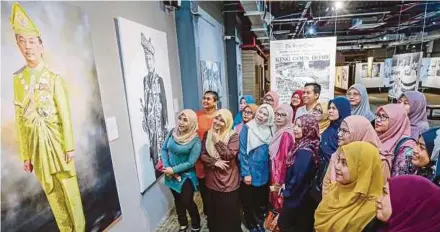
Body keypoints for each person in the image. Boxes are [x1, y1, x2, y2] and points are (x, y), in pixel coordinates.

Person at [10, 3, 85, 231]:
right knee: (53, 194)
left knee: (70, 192)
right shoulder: (18, 79)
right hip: (37, 149)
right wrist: (26, 155)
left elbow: (65, 114)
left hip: (58, 145)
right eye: (22, 41)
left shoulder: (53, 78)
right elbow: (21, 119)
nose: (27, 47)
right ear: (17, 45)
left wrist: (69, 147)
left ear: (41, 46)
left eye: (32, 41)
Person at [314, 142, 384, 232]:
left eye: (344, 163)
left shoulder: (373, 212)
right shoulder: (335, 190)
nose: (337, 166)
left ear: (362, 169)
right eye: (338, 160)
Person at [322, 115, 386, 196]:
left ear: (358, 133)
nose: (339, 134)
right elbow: (326, 185)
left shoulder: (378, 161)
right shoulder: (338, 154)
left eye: (344, 131)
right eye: (340, 129)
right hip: (333, 203)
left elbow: (379, 193)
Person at [200, 109, 241, 232]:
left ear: (227, 122)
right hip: (212, 179)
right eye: (217, 118)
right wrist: (214, 162)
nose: (217, 122)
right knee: (214, 211)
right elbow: (202, 154)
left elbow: (229, 155)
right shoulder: (208, 133)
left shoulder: (233, 135)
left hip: (228, 181)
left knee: (228, 211)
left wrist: (217, 141)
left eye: (222, 120)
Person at [278, 115, 320, 232]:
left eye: (300, 126)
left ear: (309, 129)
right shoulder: (304, 144)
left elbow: (298, 178)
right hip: (302, 197)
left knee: (285, 224)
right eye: (295, 125)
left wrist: (286, 192)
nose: (295, 128)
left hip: (298, 198)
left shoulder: (304, 151)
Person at [162, 110, 201, 232]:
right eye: (180, 118)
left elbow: (191, 162)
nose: (182, 122)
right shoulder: (172, 132)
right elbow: (164, 149)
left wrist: (173, 169)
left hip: (186, 176)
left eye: (186, 120)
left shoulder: (195, 140)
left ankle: (196, 225)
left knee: (187, 201)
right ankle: (183, 224)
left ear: (192, 122)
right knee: (177, 200)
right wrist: (168, 168)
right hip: (171, 175)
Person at [239, 104, 275, 232]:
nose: (261, 116)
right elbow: (242, 152)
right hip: (250, 170)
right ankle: (251, 225)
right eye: (260, 112)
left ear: (269, 117)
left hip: (264, 171)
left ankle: (259, 223)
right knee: (249, 201)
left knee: (261, 199)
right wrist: (246, 173)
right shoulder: (247, 128)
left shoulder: (271, 129)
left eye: (266, 114)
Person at [140, 32, 169, 179]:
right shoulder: (145, 80)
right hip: (151, 121)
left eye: (150, 59)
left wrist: (165, 122)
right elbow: (145, 100)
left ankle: (161, 168)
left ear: (154, 60)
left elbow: (163, 102)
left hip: (159, 121)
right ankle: (155, 168)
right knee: (152, 144)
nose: (148, 62)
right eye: (146, 59)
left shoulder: (159, 80)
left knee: (160, 145)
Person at [375, 104, 416, 177]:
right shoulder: (378, 137)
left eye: (384, 117)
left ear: (397, 121)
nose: (377, 120)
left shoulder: (406, 149)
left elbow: (400, 181)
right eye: (378, 115)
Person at [196, 90, 219, 215]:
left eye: (209, 99)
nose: (205, 101)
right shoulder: (197, 116)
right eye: (204, 98)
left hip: (215, 157)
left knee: (214, 185)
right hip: (200, 158)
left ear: (215, 102)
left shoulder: (220, 116)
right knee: (203, 186)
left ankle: (216, 210)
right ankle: (207, 211)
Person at [269, 104, 295, 211]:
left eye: (283, 115)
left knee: (278, 196)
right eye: (277, 114)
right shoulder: (278, 130)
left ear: (289, 117)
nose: (278, 117)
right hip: (275, 169)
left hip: (279, 173)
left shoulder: (286, 134)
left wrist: (280, 180)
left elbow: (284, 159)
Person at [319, 97, 351, 165]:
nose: (330, 111)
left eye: (334, 108)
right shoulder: (331, 126)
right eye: (329, 108)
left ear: (342, 110)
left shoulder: (346, 130)